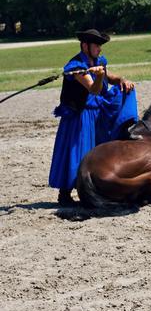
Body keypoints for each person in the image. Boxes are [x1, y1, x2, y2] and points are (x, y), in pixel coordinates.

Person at [49, 29, 139, 206]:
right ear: (85, 46)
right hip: (80, 116)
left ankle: (126, 127)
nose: (99, 49)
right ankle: (65, 193)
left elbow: (109, 77)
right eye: (96, 45)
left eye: (100, 45)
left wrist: (122, 79)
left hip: (96, 111)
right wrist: (98, 76)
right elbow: (94, 89)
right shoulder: (75, 66)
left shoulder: (97, 61)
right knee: (78, 152)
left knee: (97, 149)